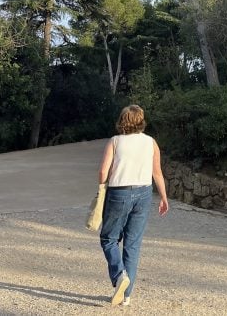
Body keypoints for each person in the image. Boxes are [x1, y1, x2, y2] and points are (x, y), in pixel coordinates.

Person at [97, 104, 169, 306]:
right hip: (144, 193)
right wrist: (163, 197)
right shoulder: (151, 142)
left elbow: (103, 172)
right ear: (141, 121)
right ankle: (126, 296)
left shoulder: (115, 142)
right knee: (133, 244)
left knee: (109, 238)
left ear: (122, 121)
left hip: (119, 192)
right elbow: (157, 173)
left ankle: (120, 275)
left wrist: (102, 188)